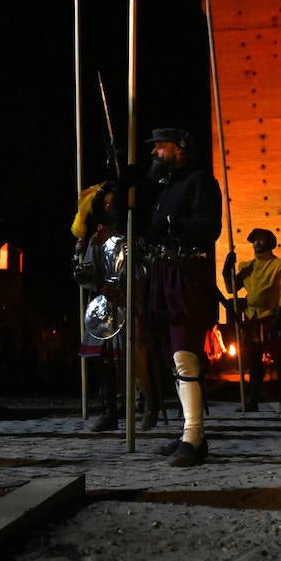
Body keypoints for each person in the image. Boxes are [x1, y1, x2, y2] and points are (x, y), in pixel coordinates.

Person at [138, 127, 222, 467]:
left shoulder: (200, 182)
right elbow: (143, 224)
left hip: (188, 274)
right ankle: (189, 429)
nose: (156, 152)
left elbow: (208, 228)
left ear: (182, 147)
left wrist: (170, 224)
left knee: (184, 353)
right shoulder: (161, 188)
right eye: (154, 147)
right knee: (172, 357)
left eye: (162, 146)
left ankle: (194, 435)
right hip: (162, 275)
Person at [71, 179, 162, 433]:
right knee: (101, 360)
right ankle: (109, 410)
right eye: (106, 203)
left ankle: (149, 406)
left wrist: (124, 290)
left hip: (129, 302)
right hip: (102, 305)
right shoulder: (96, 238)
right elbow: (88, 273)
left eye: (114, 203)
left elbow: (141, 271)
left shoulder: (130, 236)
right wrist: (81, 260)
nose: (109, 207)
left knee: (136, 355)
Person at [223, 227, 281, 414]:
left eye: (261, 239)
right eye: (254, 240)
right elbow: (232, 288)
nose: (257, 243)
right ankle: (252, 400)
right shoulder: (246, 266)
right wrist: (227, 269)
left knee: (280, 360)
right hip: (251, 318)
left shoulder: (280, 265)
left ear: (269, 242)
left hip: (271, 316)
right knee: (254, 362)